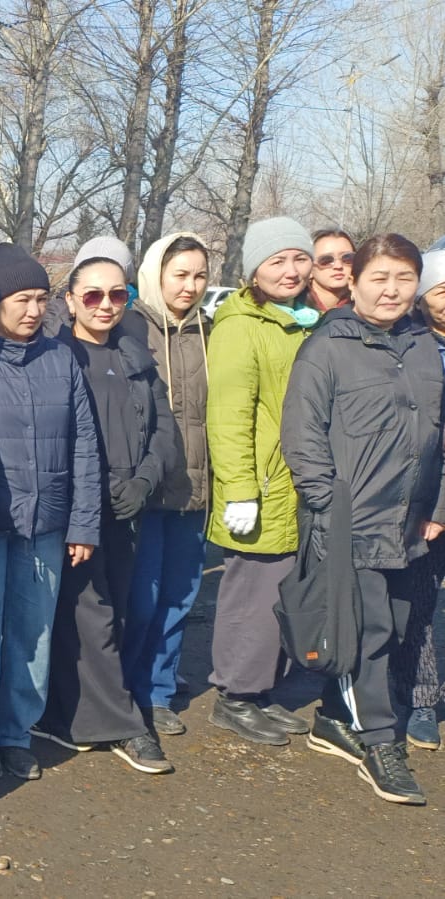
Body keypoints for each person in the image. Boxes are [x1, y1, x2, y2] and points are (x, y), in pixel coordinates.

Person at [281, 233, 445, 806]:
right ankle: (379, 742)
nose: (391, 290)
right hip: (350, 519)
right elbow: (301, 437)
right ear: (353, 282)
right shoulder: (328, 347)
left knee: (393, 626)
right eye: (379, 278)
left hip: (411, 521)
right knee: (367, 632)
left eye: (404, 279)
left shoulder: (422, 344)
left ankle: (332, 718)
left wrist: (437, 509)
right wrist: (329, 507)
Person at [0, 243, 100, 782]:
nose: (35, 310)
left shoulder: (60, 359)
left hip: (47, 523)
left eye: (42, 298)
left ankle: (16, 732)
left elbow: (85, 444)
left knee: (33, 636)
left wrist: (83, 523)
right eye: (22, 299)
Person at [33, 246, 178, 775]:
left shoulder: (135, 354)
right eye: (92, 295)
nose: (106, 304)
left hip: (128, 504)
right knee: (90, 617)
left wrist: (143, 480)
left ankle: (67, 717)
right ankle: (125, 724)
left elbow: (164, 428)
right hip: (77, 507)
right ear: (70, 301)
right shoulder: (56, 356)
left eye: (119, 294)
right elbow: (52, 438)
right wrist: (86, 499)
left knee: (118, 611)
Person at [205, 217, 320, 747]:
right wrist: (240, 491)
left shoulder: (301, 320)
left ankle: (260, 690)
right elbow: (229, 416)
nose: (291, 270)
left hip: (299, 484)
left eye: (299, 258)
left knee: (279, 594)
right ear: (254, 271)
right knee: (251, 595)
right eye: (277, 261)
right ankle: (234, 696)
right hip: (264, 486)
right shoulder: (241, 326)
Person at [121, 233, 212, 736]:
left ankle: (158, 690)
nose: (190, 286)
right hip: (146, 488)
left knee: (180, 595)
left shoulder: (208, 332)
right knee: (141, 597)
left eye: (200, 276)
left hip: (194, 488)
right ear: (156, 274)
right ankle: (125, 687)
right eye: (180, 274)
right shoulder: (131, 327)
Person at [396, 247, 445, 751]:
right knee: (422, 600)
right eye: (442, 290)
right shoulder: (413, 347)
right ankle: (421, 697)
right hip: (429, 496)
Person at [306, 228, 355, 314]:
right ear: (309, 268)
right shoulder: (291, 307)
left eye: (347, 258)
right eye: (326, 260)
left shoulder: (366, 308)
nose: (338, 266)